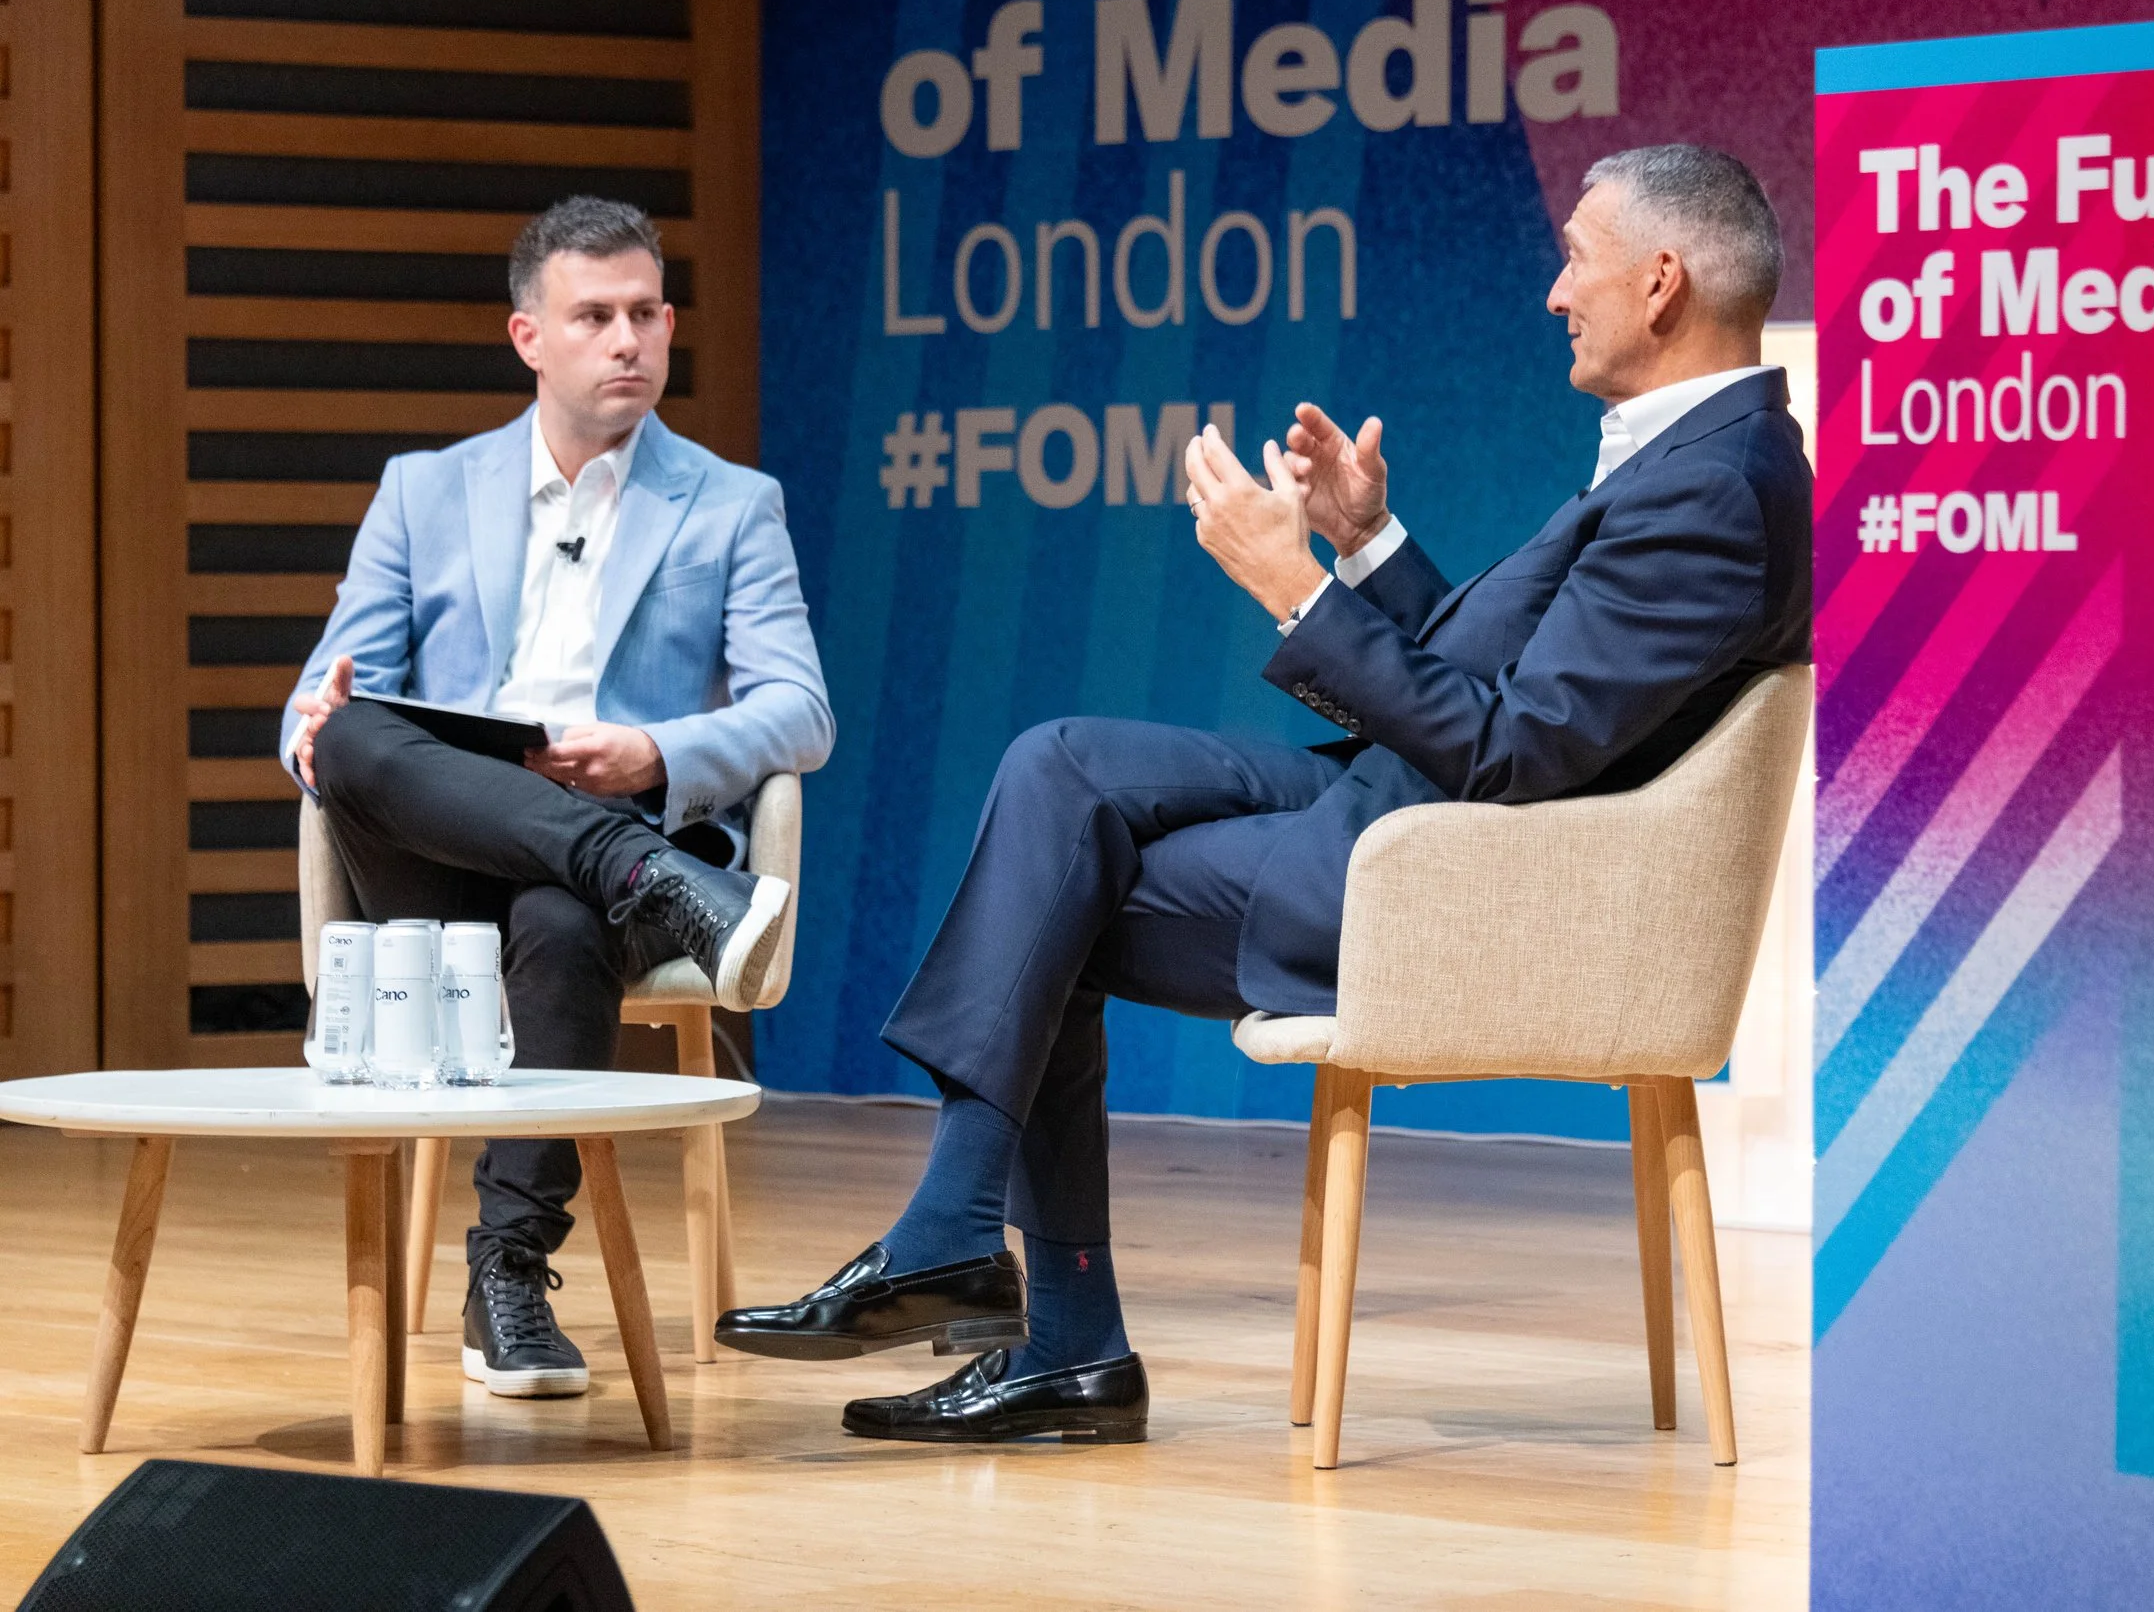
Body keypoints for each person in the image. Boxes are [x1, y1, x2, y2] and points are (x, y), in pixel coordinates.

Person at [716, 144, 1810, 1446]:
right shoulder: (1702, 459)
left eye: (1576, 256)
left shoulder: (1714, 491)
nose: (1555, 290)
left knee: (1051, 892)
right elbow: (1531, 686)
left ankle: (1018, 1298)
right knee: (1058, 766)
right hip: (1396, 807)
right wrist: (1369, 549)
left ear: (1664, 280)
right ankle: (989, 1274)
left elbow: (1518, 750)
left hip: (1434, 879)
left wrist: (1297, 590)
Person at [279, 196, 834, 1401]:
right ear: (530, 335)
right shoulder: (423, 492)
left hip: (621, 833)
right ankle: (650, 876)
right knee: (359, 734)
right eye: (595, 316)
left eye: (646, 314)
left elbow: (801, 710)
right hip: (450, 856)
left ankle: (509, 1272)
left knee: (560, 918)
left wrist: (652, 752)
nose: (627, 339)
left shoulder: (733, 504)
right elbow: (309, 708)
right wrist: (318, 729)